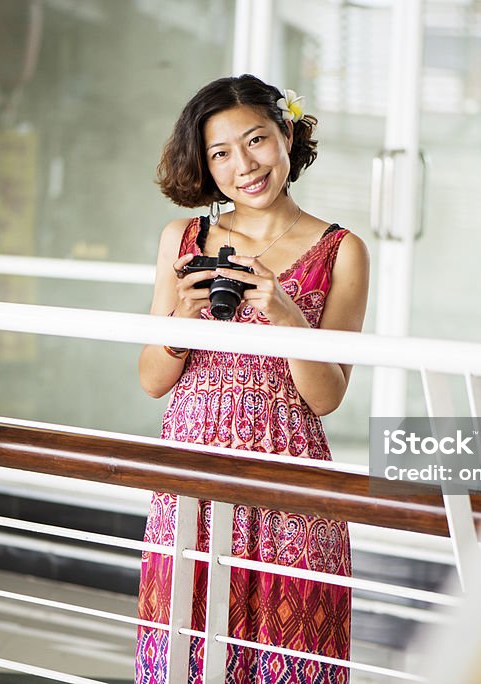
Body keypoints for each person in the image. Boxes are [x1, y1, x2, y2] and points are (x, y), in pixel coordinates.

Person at [135, 74, 370, 684]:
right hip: (191, 474)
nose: (244, 165)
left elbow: (326, 398)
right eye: (220, 153)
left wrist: (288, 315)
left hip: (289, 489)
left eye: (257, 140)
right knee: (183, 653)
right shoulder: (183, 241)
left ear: (287, 135)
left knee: (288, 659)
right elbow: (152, 380)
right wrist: (180, 320)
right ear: (205, 164)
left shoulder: (341, 251)